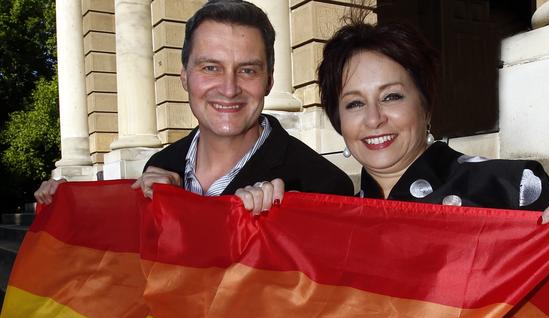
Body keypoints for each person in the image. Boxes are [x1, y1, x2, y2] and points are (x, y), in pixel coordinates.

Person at [316, 20, 549, 314]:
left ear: (426, 104)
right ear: (339, 121)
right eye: (355, 103)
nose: (374, 118)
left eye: (392, 97)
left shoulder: (504, 189)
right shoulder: (329, 224)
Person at [35, 0, 353, 214]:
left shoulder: (324, 186)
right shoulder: (160, 165)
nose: (229, 89)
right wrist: (72, 207)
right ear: (185, 77)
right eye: (210, 68)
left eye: (248, 70)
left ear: (269, 80)